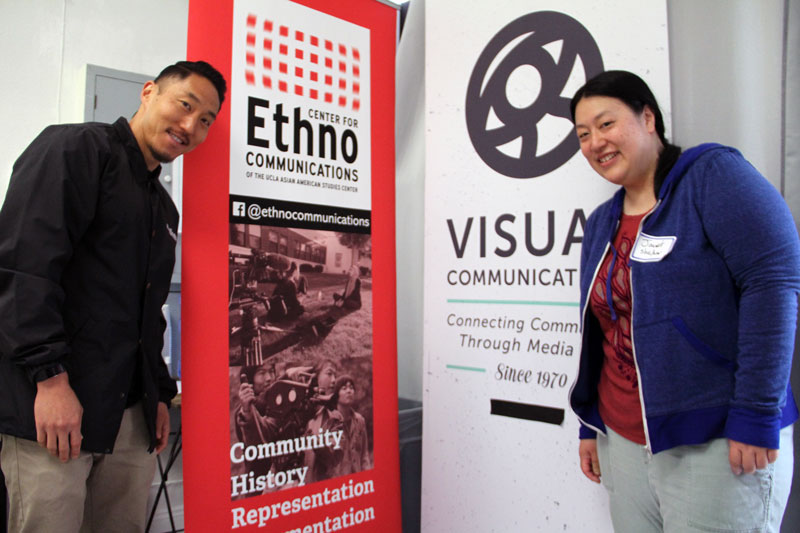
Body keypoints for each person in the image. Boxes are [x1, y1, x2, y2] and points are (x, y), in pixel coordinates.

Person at [568, 70, 800, 532]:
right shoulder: (600, 223)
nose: (595, 141)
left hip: (714, 440)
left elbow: (773, 282)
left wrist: (756, 413)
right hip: (624, 443)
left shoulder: (711, 176)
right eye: (583, 134)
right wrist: (591, 424)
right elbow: (604, 332)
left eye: (606, 123)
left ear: (648, 118)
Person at [0, 60, 226, 532]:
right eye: (185, 105)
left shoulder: (161, 206)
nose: (191, 125)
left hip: (128, 418)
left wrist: (158, 394)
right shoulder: (75, 149)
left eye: (206, 120)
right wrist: (51, 382)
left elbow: (149, 313)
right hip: (55, 411)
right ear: (149, 93)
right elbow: (24, 273)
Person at [330, 375, 370, 476]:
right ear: (336, 394)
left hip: (358, 482)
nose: (349, 391)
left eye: (351, 388)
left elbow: (364, 455)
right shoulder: (329, 421)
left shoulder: (360, 420)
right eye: (344, 388)